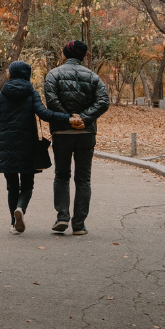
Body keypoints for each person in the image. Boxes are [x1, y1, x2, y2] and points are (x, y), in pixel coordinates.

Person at [0, 61, 74, 234]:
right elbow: (44, 114)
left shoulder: (0, 95)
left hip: (7, 145)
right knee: (27, 185)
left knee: (12, 186)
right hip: (28, 146)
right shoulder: (31, 93)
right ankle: (20, 208)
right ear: (27, 75)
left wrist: (1, 138)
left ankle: (14, 223)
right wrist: (67, 118)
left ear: (11, 74)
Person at [44, 39, 110, 235]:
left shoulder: (53, 74)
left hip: (61, 132)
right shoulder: (93, 76)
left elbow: (52, 100)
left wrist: (69, 119)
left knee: (62, 176)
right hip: (86, 133)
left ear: (65, 54)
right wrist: (84, 118)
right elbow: (103, 101)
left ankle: (62, 217)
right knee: (83, 179)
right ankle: (79, 225)